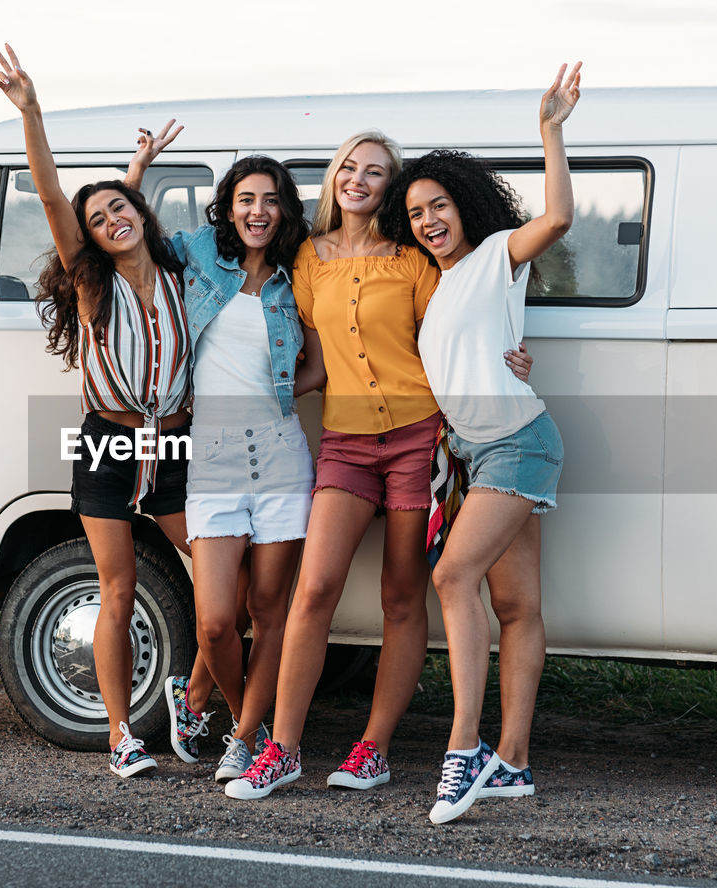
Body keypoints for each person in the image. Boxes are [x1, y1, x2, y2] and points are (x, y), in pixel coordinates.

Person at [225, 132, 534, 800]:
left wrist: (513, 355)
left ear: (389, 186)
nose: (358, 179)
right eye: (350, 168)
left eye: (375, 172)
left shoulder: (413, 260)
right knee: (314, 591)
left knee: (401, 595)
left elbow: (464, 326)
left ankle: (375, 749)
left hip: (418, 441)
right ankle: (282, 748)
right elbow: (310, 359)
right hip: (345, 443)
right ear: (335, 177)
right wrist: (259, 395)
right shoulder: (308, 261)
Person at [385, 63, 581, 824]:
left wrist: (551, 133)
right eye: (418, 212)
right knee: (516, 605)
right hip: (481, 453)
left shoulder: (496, 255)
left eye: (440, 205)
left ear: (464, 207)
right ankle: (516, 763)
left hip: (519, 445)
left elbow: (558, 220)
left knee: (450, 578)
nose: (431, 219)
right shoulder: (436, 290)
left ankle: (464, 747)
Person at [0, 42, 192, 779]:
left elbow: (124, 212)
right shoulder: (91, 283)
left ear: (140, 211)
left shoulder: (179, 275)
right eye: (98, 217)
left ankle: (190, 698)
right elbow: (53, 196)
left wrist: (132, 172)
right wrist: (31, 110)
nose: (110, 220)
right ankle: (120, 734)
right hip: (109, 445)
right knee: (118, 587)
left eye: (121, 207)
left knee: (219, 577)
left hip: (174, 446)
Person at [127, 143, 324, 782]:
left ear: (285, 210)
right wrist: (136, 173)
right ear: (228, 208)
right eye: (246, 200)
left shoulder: (302, 276)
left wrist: (271, 396)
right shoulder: (199, 254)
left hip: (281, 454)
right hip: (210, 456)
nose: (258, 211)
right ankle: (246, 722)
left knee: (269, 613)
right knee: (215, 621)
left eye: (270, 200)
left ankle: (243, 740)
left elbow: (318, 367)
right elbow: (130, 240)